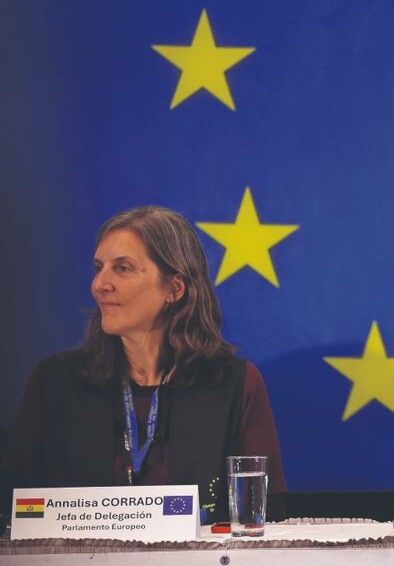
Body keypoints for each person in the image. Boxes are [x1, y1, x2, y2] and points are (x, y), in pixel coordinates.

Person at [1, 206, 286, 523]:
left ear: (174, 288)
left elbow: (263, 513)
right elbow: (15, 512)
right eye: (99, 268)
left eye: (122, 268)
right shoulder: (55, 382)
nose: (100, 284)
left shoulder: (233, 383)